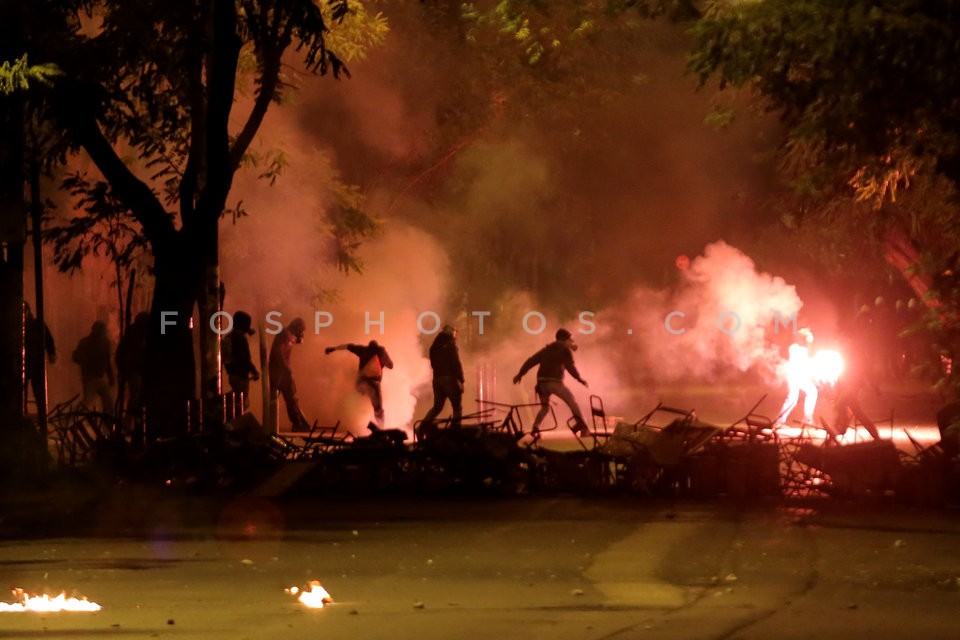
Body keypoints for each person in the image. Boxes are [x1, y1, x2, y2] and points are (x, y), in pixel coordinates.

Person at [512, 328, 589, 436]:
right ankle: (584, 429)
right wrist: (579, 379)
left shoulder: (547, 349)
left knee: (545, 408)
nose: (571, 341)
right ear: (565, 339)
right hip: (554, 382)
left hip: (541, 383)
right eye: (569, 339)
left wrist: (520, 374)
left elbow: (531, 361)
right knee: (572, 402)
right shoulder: (565, 350)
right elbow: (570, 367)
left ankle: (536, 428)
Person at [326, 339, 394, 428]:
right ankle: (381, 428)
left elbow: (347, 346)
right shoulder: (381, 352)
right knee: (378, 409)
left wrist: (333, 348)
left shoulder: (363, 350)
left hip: (361, 383)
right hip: (374, 384)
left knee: (355, 399)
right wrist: (382, 362)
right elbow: (391, 366)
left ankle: (349, 420)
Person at [419, 325, 465, 429]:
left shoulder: (434, 347)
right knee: (457, 407)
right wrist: (461, 380)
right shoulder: (451, 345)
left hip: (437, 380)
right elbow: (456, 363)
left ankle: (421, 428)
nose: (455, 335)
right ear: (450, 333)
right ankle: (455, 431)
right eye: (454, 332)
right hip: (450, 379)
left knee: (437, 407)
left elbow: (433, 364)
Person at [268, 317, 308, 430]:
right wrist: (286, 368)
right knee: (291, 398)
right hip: (281, 371)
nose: (302, 333)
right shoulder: (286, 335)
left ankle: (295, 423)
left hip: (278, 370)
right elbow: (279, 352)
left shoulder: (287, 334)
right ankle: (297, 424)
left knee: (284, 398)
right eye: (302, 330)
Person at [775, 328, 818, 427]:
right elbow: (803, 363)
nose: (808, 342)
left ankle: (806, 419)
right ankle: (780, 421)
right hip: (795, 376)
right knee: (794, 398)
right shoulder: (795, 348)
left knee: (807, 393)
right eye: (807, 340)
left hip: (797, 376)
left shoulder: (801, 349)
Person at [72, 320, 115, 412]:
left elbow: (107, 361)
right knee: (87, 401)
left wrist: (111, 376)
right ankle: (72, 416)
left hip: (97, 377)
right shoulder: (86, 343)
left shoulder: (105, 343)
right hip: (89, 378)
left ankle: (108, 423)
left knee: (108, 402)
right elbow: (76, 357)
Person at [115, 311, 149, 418]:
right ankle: (130, 422)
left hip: (139, 370)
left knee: (137, 397)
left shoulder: (138, 333)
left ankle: (133, 422)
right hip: (134, 370)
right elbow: (122, 354)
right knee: (136, 397)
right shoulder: (133, 334)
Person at [223, 310, 259, 409]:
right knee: (241, 404)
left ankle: (217, 405)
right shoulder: (240, 337)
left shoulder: (232, 335)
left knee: (237, 400)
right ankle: (219, 416)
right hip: (241, 376)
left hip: (232, 375)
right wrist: (254, 371)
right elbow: (245, 358)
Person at [24, 302, 56, 412]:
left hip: (35, 362)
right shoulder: (36, 325)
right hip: (28, 362)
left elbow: (48, 339)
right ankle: (26, 412)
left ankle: (41, 413)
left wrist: (52, 353)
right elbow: (49, 339)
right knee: (23, 391)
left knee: (38, 391)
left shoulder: (37, 324)